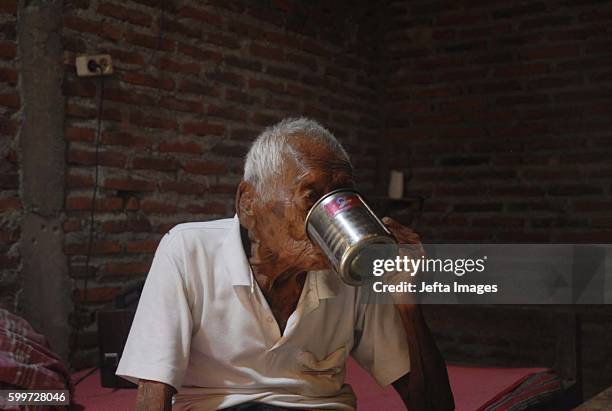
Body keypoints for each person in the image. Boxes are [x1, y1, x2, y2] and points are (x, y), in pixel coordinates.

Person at [117, 118, 454, 411]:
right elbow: (154, 391)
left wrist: (406, 302)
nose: (334, 215)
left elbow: (434, 406)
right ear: (249, 204)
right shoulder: (189, 250)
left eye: (342, 197)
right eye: (312, 196)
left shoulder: (353, 270)